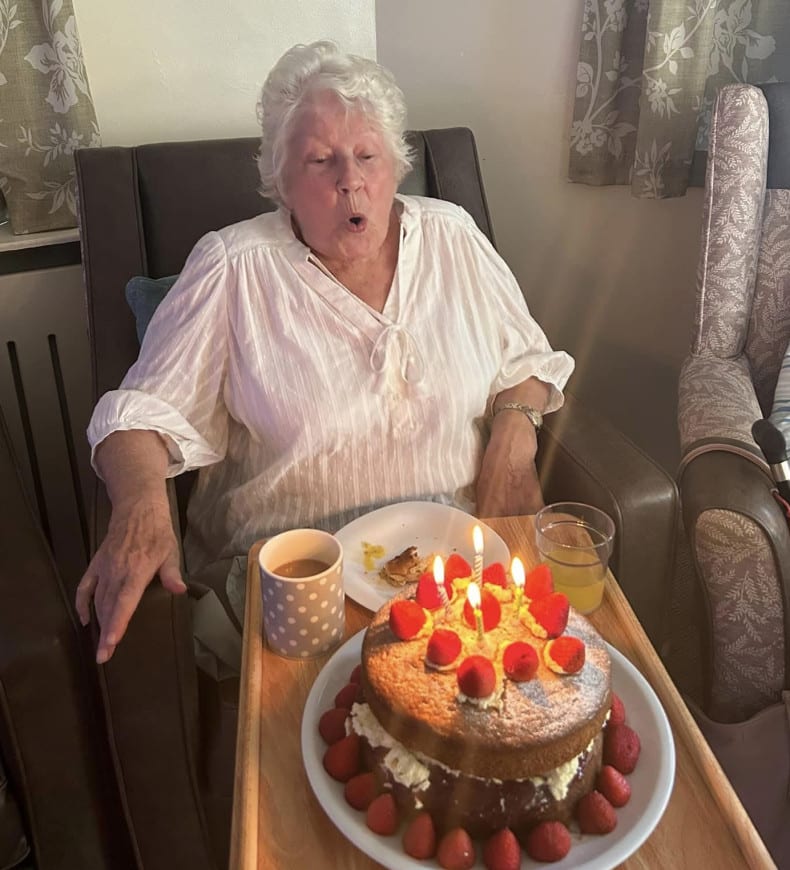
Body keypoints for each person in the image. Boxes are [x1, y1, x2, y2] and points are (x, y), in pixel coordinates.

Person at [76, 40, 574, 665]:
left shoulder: (453, 236)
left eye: (368, 155)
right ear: (281, 183)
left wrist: (515, 433)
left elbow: (527, 361)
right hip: (300, 583)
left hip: (455, 576)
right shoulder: (232, 267)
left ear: (396, 165)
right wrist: (141, 502)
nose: (351, 180)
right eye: (320, 161)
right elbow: (140, 414)